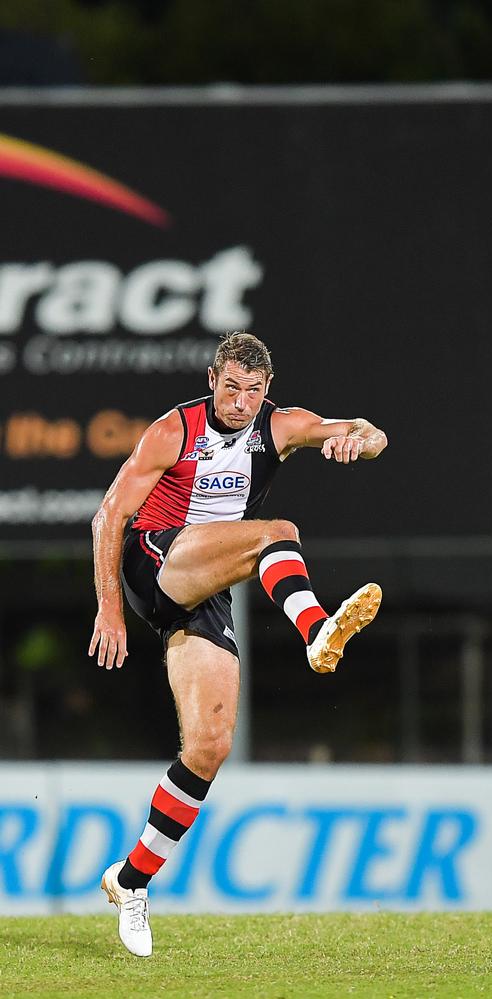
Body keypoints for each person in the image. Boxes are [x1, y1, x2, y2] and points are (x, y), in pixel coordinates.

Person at [88, 331, 387, 957]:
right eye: (231, 387)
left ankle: (132, 881)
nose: (241, 401)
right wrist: (109, 610)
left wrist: (355, 442)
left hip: (207, 580)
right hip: (155, 560)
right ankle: (316, 631)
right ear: (211, 380)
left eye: (253, 390)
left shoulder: (281, 427)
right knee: (277, 532)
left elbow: (367, 429)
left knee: (209, 745)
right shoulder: (174, 430)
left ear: (267, 390)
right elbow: (109, 515)